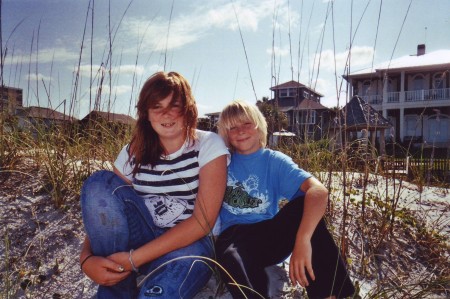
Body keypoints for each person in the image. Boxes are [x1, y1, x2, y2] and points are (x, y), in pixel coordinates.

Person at [79, 71, 229, 298]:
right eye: (157, 106)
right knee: (98, 183)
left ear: (188, 109)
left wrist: (133, 259)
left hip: (190, 246)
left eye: (175, 105)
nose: (166, 114)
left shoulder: (208, 145)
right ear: (146, 114)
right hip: (141, 240)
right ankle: (118, 287)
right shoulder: (134, 151)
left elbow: (202, 222)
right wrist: (86, 258)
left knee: (157, 294)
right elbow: (106, 208)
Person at [215, 100, 355, 299]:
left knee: (303, 206)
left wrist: (303, 240)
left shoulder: (274, 160)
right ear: (225, 134)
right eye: (233, 127)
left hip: (268, 235)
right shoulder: (221, 161)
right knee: (231, 258)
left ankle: (329, 295)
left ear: (259, 125)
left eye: (247, 124)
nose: (240, 131)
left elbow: (318, 191)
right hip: (234, 238)